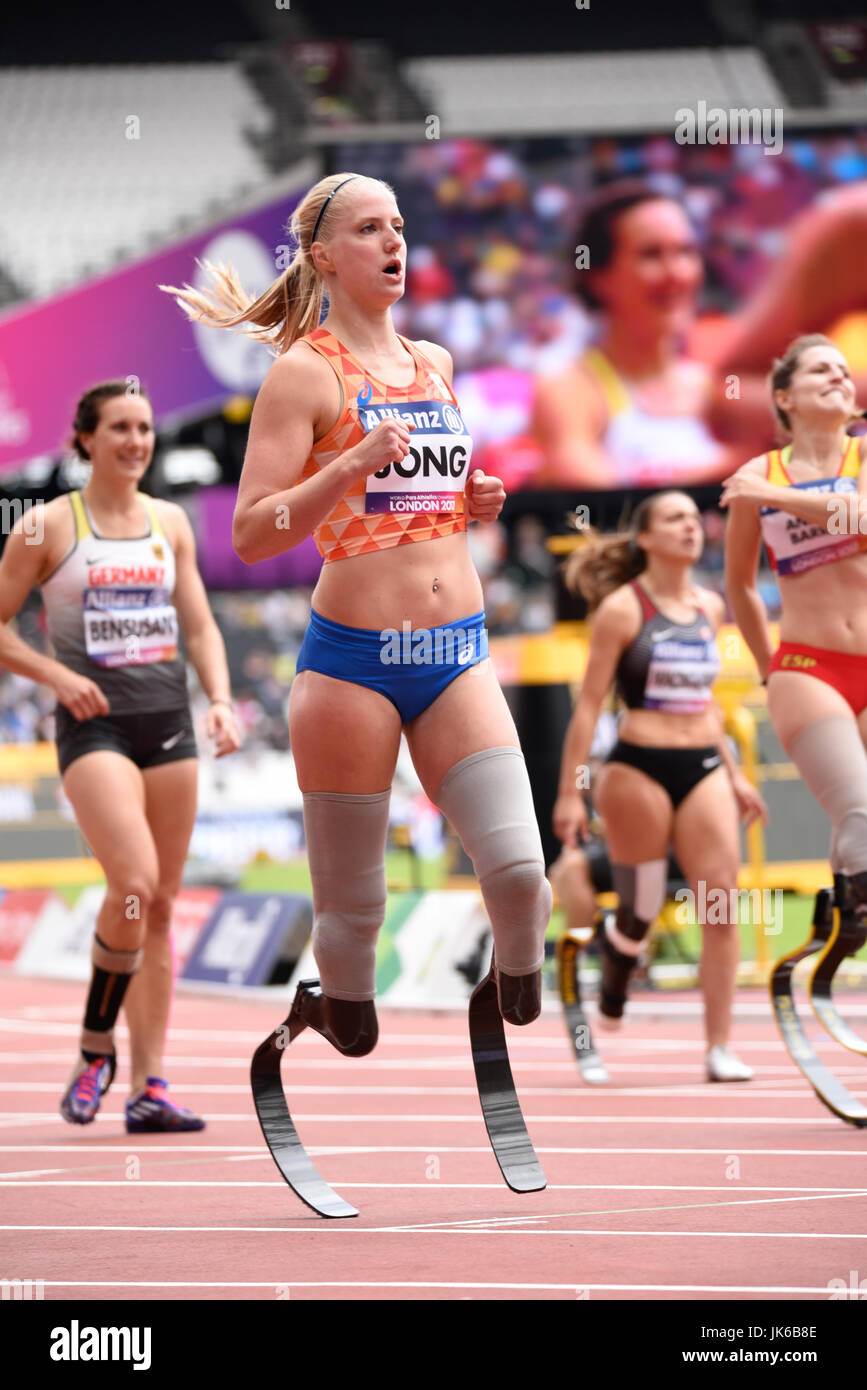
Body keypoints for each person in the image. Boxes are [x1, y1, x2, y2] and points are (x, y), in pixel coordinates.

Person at [160, 171, 552, 1049]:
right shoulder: (302, 377)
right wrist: (348, 462)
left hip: (454, 654)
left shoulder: (435, 365)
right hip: (353, 666)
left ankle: (513, 979)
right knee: (353, 914)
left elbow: (418, 506)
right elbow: (257, 533)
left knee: (522, 873)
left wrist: (471, 500)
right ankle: (331, 1003)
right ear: (323, 255)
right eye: (370, 229)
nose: (393, 243)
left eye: (399, 226)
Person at [0, 381, 242, 1130]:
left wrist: (222, 700)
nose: (136, 441)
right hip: (93, 727)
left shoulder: (171, 522)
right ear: (85, 440)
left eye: (144, 428)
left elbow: (198, 625)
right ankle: (94, 1046)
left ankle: (149, 1085)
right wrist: (60, 675)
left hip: (167, 723)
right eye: (119, 429)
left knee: (161, 906)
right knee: (132, 882)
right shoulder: (45, 529)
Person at [551, 491, 767, 1081]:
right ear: (646, 537)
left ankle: (719, 1046)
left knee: (719, 902)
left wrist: (735, 772)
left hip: (702, 766)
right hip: (637, 768)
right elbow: (589, 708)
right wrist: (572, 792)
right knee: (641, 906)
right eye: (675, 519)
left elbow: (708, 705)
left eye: (696, 519)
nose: (691, 528)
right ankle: (618, 966)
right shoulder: (623, 609)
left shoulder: (710, 606)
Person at [722, 334, 867, 946]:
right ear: (784, 395)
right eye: (820, 370)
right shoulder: (759, 473)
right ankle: (854, 907)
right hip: (809, 668)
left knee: (859, 827)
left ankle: (843, 906)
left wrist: (772, 499)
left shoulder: (855, 459)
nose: (839, 376)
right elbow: (739, 585)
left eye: (844, 369)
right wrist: (769, 668)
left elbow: (858, 519)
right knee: (858, 810)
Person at [531, 182, 734, 489]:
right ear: (599, 277)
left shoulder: (717, 387)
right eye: (651, 255)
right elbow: (606, 500)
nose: (676, 272)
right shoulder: (567, 392)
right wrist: (746, 465)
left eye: (686, 252)